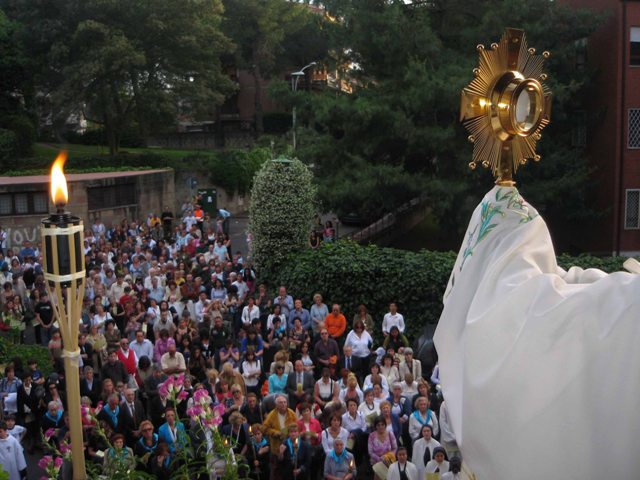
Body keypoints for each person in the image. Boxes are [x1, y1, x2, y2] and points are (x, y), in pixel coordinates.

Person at [368, 415, 398, 480]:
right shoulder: (371, 436)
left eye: (382, 424)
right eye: (378, 425)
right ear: (375, 426)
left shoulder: (390, 434)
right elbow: (370, 452)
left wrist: (387, 457)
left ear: (385, 425)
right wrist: (379, 459)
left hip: (389, 462)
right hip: (376, 463)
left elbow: (395, 448)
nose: (380, 427)